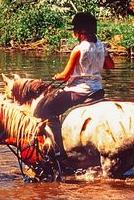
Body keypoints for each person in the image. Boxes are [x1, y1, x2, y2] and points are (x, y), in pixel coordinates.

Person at [37, 11, 115, 161]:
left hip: (79, 91)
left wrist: (56, 76)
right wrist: (97, 61)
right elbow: (110, 65)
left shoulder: (78, 50)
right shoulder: (101, 46)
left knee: (46, 107)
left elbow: (65, 76)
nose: (74, 32)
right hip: (97, 90)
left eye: (75, 29)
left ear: (82, 31)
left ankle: (58, 151)